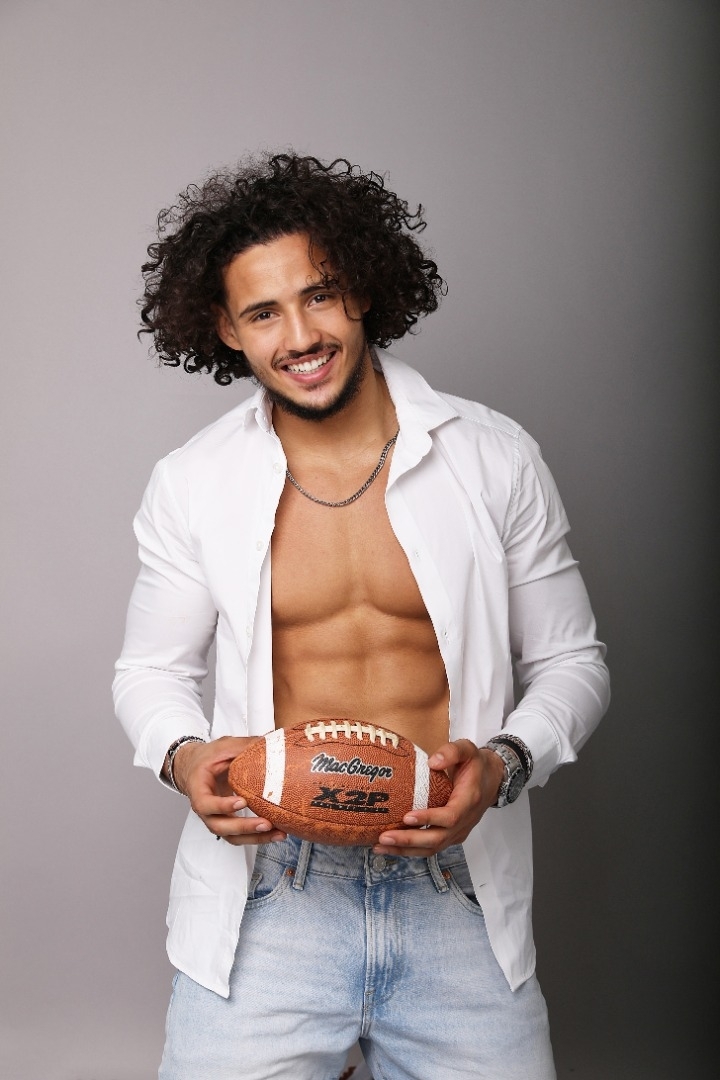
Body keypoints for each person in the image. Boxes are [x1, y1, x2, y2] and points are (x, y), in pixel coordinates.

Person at [114, 152, 610, 1080]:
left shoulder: (494, 457)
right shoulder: (192, 483)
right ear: (225, 328)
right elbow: (150, 673)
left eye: (321, 295)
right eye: (264, 312)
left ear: (366, 290)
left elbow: (573, 662)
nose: (301, 336)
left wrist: (503, 765)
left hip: (455, 890)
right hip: (271, 897)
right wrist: (185, 758)